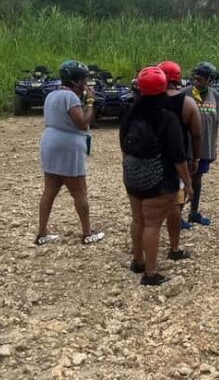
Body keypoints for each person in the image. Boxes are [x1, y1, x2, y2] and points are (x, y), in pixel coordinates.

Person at [121, 66, 193, 286]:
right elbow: (178, 156)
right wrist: (187, 183)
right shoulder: (167, 118)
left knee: (138, 220)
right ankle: (151, 273)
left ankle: (138, 261)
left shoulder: (130, 115)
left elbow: (123, 146)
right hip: (159, 179)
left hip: (132, 175)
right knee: (152, 224)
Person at [36, 60, 105, 245]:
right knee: (79, 192)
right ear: (76, 81)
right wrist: (90, 102)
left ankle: (42, 233)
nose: (86, 83)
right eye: (84, 80)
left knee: (49, 191)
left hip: (50, 142)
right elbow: (83, 123)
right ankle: (87, 233)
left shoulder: (51, 95)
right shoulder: (71, 97)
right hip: (68, 146)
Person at [158, 60, 203, 235]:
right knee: (176, 198)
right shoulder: (188, 103)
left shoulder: (150, 100)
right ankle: (174, 244)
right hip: (179, 155)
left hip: (153, 155)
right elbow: (196, 135)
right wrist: (196, 158)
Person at [184, 61, 219, 227]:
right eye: (196, 77)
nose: (197, 81)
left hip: (205, 147)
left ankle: (193, 213)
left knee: (197, 179)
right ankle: (177, 216)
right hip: (187, 148)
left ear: (210, 80)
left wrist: (214, 147)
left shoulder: (214, 95)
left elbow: (215, 123)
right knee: (183, 180)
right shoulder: (185, 94)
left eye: (201, 78)